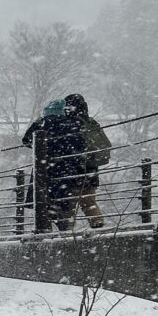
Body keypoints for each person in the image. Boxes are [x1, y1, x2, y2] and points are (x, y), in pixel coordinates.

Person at [23, 99, 86, 230]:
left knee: (43, 205)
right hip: (65, 171)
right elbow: (80, 146)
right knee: (61, 205)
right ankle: (64, 232)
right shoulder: (72, 125)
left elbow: (26, 140)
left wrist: (37, 126)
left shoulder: (42, 125)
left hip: (44, 170)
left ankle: (46, 232)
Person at [64, 93, 110, 229]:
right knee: (89, 202)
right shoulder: (90, 122)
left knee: (69, 204)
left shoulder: (71, 124)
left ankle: (67, 234)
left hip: (74, 171)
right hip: (91, 170)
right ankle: (98, 227)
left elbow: (70, 149)